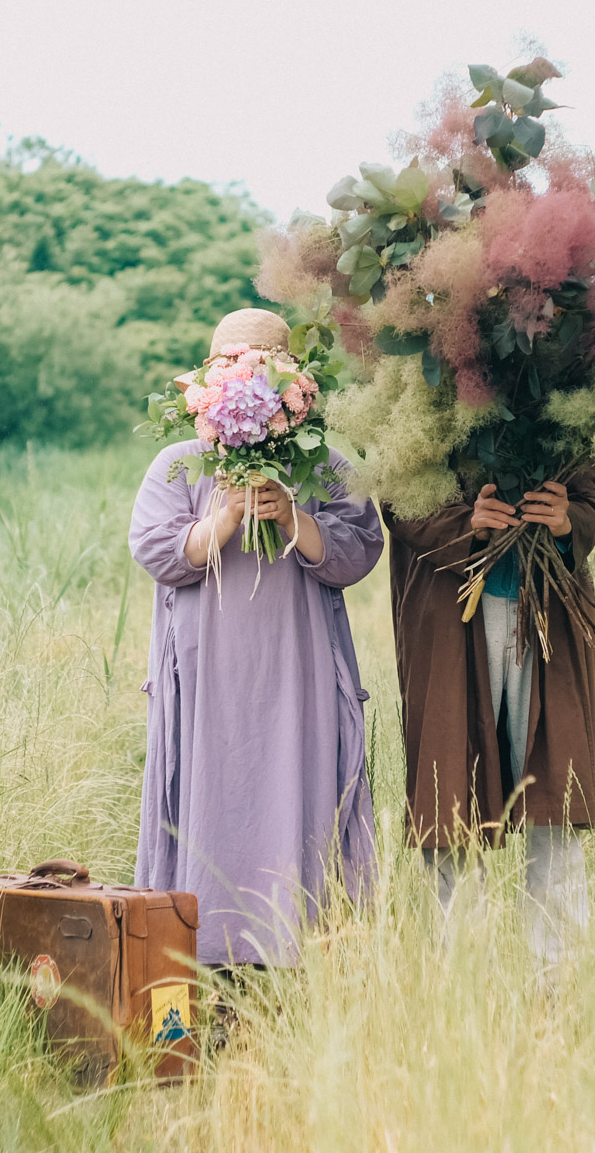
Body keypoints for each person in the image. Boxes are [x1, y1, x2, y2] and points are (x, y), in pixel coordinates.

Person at [129, 308, 385, 969]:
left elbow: (361, 549)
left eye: (257, 368)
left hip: (296, 669)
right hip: (207, 671)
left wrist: (293, 518)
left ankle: (296, 953)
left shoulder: (323, 463)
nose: (242, 380)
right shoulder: (179, 463)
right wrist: (225, 519)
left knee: (296, 792)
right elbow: (155, 550)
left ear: (292, 386)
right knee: (208, 799)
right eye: (228, 367)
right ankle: (202, 955)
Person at [383, 469, 595, 969]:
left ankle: (556, 980)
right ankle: (464, 981)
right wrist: (463, 523)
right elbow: (394, 485)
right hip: (448, 606)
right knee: (451, 796)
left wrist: (567, 519)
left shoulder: (578, 411)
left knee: (555, 797)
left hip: (551, 603)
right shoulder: (409, 418)